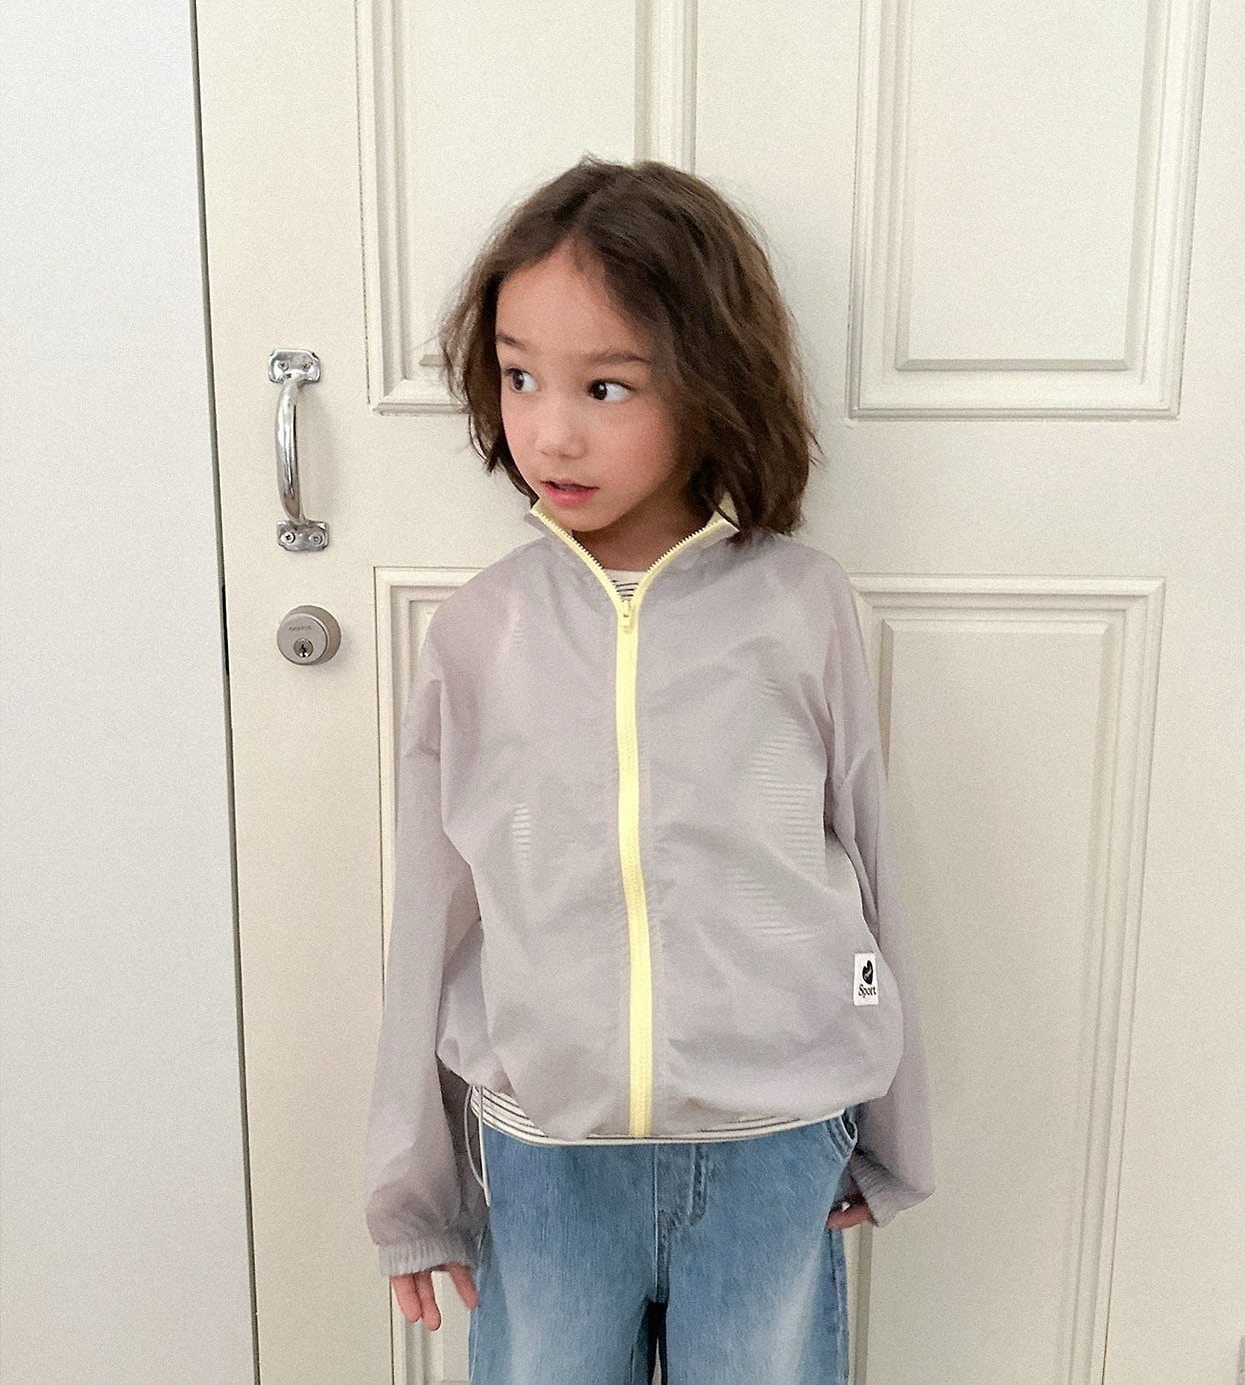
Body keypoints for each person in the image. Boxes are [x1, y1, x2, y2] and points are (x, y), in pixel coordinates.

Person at [362, 156, 936, 1383]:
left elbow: (865, 859)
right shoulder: (478, 632)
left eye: (605, 385)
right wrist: (413, 1191)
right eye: (518, 375)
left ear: (710, 381)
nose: (549, 430)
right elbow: (431, 918)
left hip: (773, 1138)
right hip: (548, 1151)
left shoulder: (799, 604)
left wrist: (895, 1132)